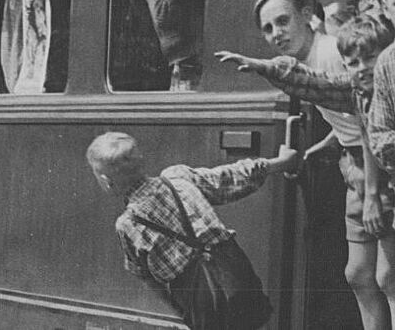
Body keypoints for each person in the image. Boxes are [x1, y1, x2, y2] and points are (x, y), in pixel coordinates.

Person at [215, 0, 392, 329]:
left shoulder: (330, 54)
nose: (276, 34)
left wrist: (371, 193)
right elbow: (347, 119)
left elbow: (370, 122)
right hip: (355, 165)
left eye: (283, 21)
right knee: (358, 274)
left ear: (306, 15)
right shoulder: (309, 59)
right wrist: (330, 142)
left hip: (376, 171)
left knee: (387, 277)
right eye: (267, 29)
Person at [86, 132, 295, 329]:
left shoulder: (128, 224)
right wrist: (279, 163)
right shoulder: (178, 178)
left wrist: (181, 310)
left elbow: (146, 277)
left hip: (199, 298)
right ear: (141, 160)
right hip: (235, 277)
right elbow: (229, 177)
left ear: (107, 182)